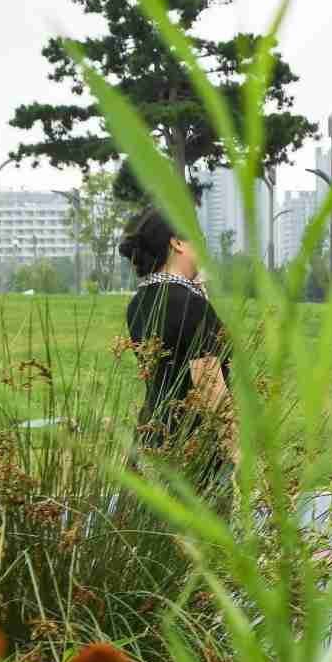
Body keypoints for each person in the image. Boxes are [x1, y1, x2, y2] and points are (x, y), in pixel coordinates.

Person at [117, 210, 233, 491]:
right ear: (178, 243)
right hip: (199, 452)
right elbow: (210, 391)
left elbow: (168, 373)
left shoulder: (138, 304)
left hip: (155, 441)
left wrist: (197, 289)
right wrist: (238, 453)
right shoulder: (191, 305)